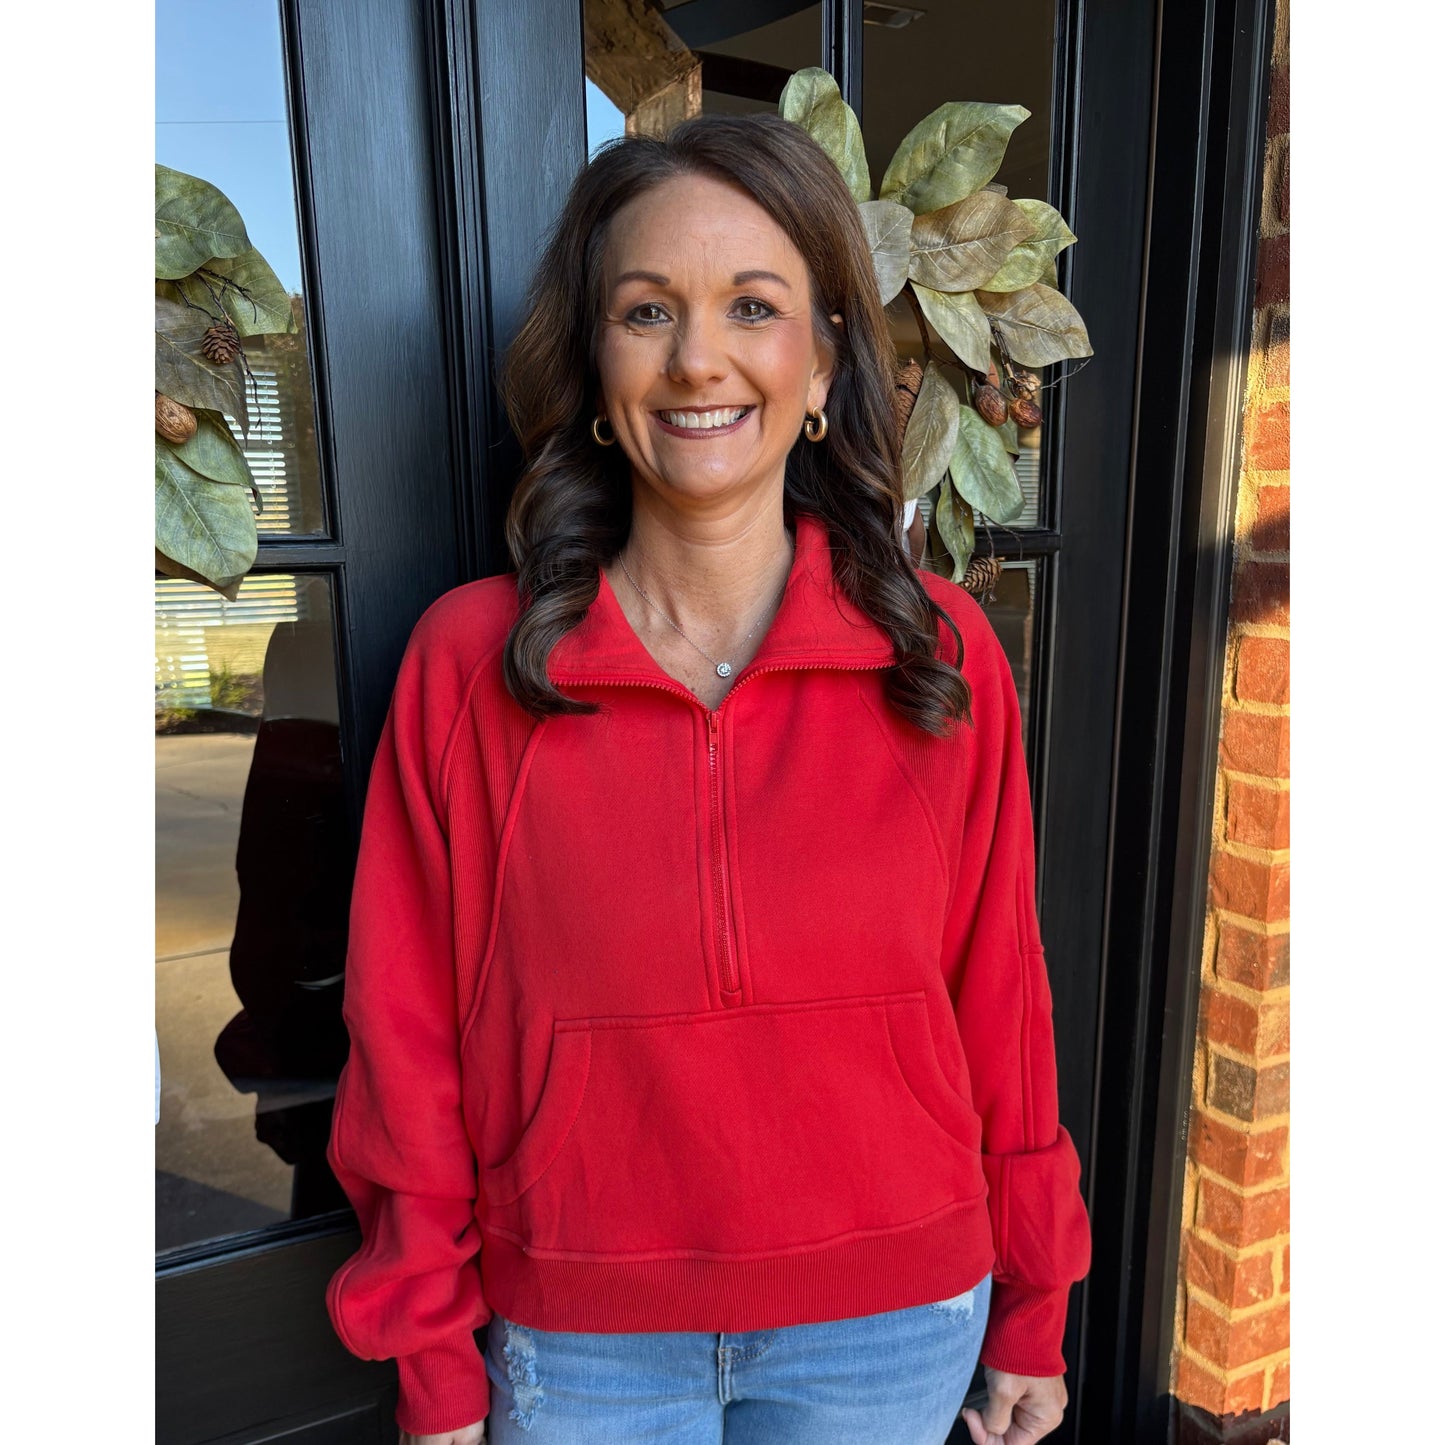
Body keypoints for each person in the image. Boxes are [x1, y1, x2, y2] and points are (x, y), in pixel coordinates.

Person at [325, 113, 1091, 1445]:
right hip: (577, 1336)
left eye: (752, 304)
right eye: (644, 310)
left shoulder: (940, 651)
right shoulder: (470, 663)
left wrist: (1034, 1295)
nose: (697, 360)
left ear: (819, 359)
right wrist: (429, 1343)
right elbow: (404, 1036)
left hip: (891, 1321)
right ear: (593, 361)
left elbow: (1002, 1002)